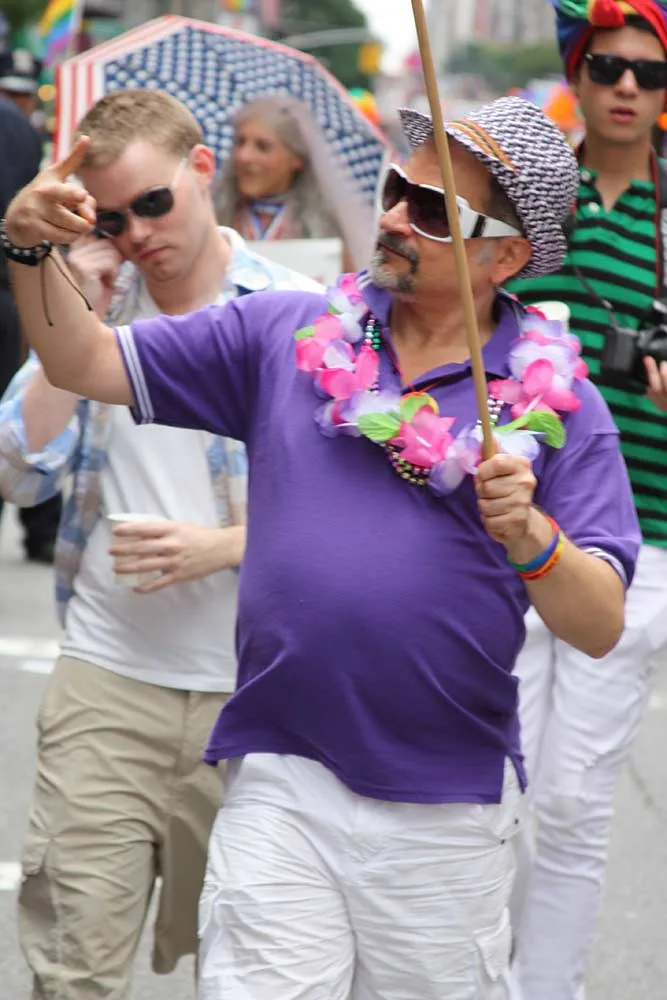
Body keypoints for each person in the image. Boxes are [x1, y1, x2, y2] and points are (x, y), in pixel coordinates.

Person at [2, 95, 641, 1000]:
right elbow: (84, 363)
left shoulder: (563, 406)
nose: (394, 217)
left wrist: (532, 536)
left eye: (432, 210)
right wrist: (30, 252)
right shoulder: (286, 332)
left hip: (445, 805)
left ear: (506, 256)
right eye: (395, 190)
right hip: (279, 769)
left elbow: (599, 624)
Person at [0, 87, 319, 1000]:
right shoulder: (89, 312)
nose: (137, 233)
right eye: (110, 217)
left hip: (254, 697)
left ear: (202, 170)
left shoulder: (298, 312)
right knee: (74, 971)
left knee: (250, 971)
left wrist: (228, 545)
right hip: (108, 680)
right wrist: (80, 307)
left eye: (152, 202)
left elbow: (355, 519)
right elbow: (18, 474)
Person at [506, 4, 667, 999]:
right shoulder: (530, 201)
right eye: (606, 68)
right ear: (576, 73)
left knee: (569, 802)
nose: (626, 88)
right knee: (496, 787)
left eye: (647, 73)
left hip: (645, 544)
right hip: (520, 527)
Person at [0, 47, 60, 563]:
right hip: (15, 287)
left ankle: (40, 524)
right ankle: (40, 527)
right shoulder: (25, 133)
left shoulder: (23, 133)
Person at [215, 94, 374, 269]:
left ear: (297, 158)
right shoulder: (214, 220)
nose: (244, 156)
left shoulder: (325, 227)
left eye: (262, 147)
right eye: (240, 142)